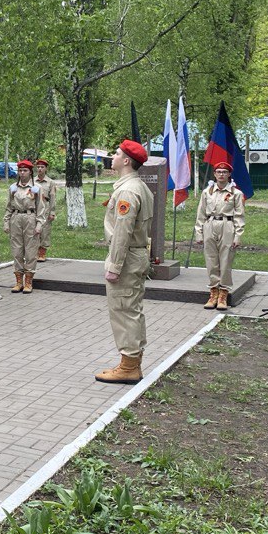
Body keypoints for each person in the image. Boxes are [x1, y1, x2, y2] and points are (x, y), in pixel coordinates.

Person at [96, 140, 155, 385]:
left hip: (127, 255)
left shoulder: (127, 191)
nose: (113, 156)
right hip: (135, 254)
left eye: (117, 154)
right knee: (132, 310)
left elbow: (122, 232)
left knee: (123, 311)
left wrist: (114, 266)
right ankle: (132, 362)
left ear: (127, 161)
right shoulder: (137, 186)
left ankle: (129, 365)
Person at [193, 160, 246, 311]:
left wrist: (238, 235)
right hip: (210, 224)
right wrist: (199, 232)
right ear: (215, 174)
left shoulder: (235, 193)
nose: (221, 174)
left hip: (227, 225)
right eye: (218, 172)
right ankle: (213, 292)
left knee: (225, 260)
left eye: (224, 172)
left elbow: (239, 216)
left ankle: (223, 294)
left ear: (229, 175)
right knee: (211, 260)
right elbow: (201, 213)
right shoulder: (207, 192)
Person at [3, 159, 43, 294]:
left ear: (30, 172)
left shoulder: (36, 188)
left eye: (25, 170)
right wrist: (6, 222)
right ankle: (18, 281)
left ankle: (28, 281)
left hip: (30, 218)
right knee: (17, 250)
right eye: (20, 170)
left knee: (31, 250)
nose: (22, 173)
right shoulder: (13, 188)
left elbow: (41, 208)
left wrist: (39, 224)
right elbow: (8, 206)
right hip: (16, 218)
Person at [34, 158, 57, 262]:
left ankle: (42, 253)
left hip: (46, 207)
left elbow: (52, 197)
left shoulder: (50, 182)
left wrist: (52, 212)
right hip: (34, 207)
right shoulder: (32, 181)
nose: (40, 169)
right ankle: (34, 252)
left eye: (42, 167)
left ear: (46, 169)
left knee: (45, 231)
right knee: (34, 230)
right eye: (38, 167)